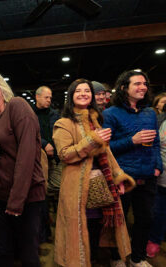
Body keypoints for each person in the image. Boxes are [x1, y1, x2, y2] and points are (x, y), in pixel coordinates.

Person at [52, 78, 135, 267]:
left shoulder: (95, 120)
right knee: (80, 233)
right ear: (71, 96)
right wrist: (92, 140)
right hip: (77, 190)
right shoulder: (63, 123)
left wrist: (118, 177)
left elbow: (108, 153)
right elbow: (65, 155)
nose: (83, 94)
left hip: (101, 187)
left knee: (97, 231)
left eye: (87, 91)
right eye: (78, 91)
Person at [0, 69, 46, 266]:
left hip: (26, 196)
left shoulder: (17, 105)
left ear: (0, 84)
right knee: (4, 252)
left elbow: (27, 156)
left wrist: (16, 201)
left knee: (28, 254)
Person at [103, 70, 162, 267]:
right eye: (137, 83)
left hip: (148, 176)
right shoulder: (110, 113)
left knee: (146, 219)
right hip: (123, 177)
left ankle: (138, 258)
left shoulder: (150, 112)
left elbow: (155, 143)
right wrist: (132, 140)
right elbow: (105, 148)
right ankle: (117, 257)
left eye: (144, 83)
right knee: (118, 221)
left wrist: (157, 167)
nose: (143, 87)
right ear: (123, 88)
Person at [32, 85, 61, 243]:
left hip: (54, 158)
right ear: (37, 97)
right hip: (38, 158)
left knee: (53, 190)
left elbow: (58, 133)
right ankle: (44, 233)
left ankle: (50, 219)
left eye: (50, 97)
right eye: (46, 97)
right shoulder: (30, 113)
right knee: (41, 194)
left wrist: (54, 148)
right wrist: (44, 144)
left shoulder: (54, 114)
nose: (49, 100)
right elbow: (31, 133)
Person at [146, 103, 166, 258]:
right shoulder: (159, 120)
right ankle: (154, 241)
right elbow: (153, 146)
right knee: (158, 212)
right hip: (161, 177)